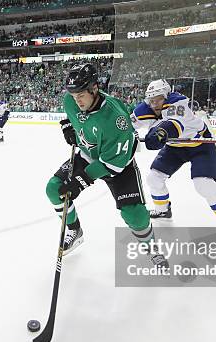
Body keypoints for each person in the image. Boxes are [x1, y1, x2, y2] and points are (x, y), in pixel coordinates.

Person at [45, 63, 166, 267]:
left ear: (94, 88)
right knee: (53, 189)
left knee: (135, 215)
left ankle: (151, 247)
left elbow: (110, 165)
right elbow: (73, 114)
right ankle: (75, 230)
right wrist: (67, 125)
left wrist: (79, 182)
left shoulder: (115, 119)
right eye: (74, 95)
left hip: (118, 163)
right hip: (88, 154)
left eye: (81, 95)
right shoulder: (72, 99)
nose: (77, 100)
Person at [131, 79, 216, 244]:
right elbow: (125, 126)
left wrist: (159, 132)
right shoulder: (143, 110)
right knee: (154, 178)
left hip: (199, 144)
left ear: (167, 95)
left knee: (204, 184)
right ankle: (163, 210)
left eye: (159, 98)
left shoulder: (178, 103)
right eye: (151, 99)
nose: (155, 103)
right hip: (176, 147)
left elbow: (174, 124)